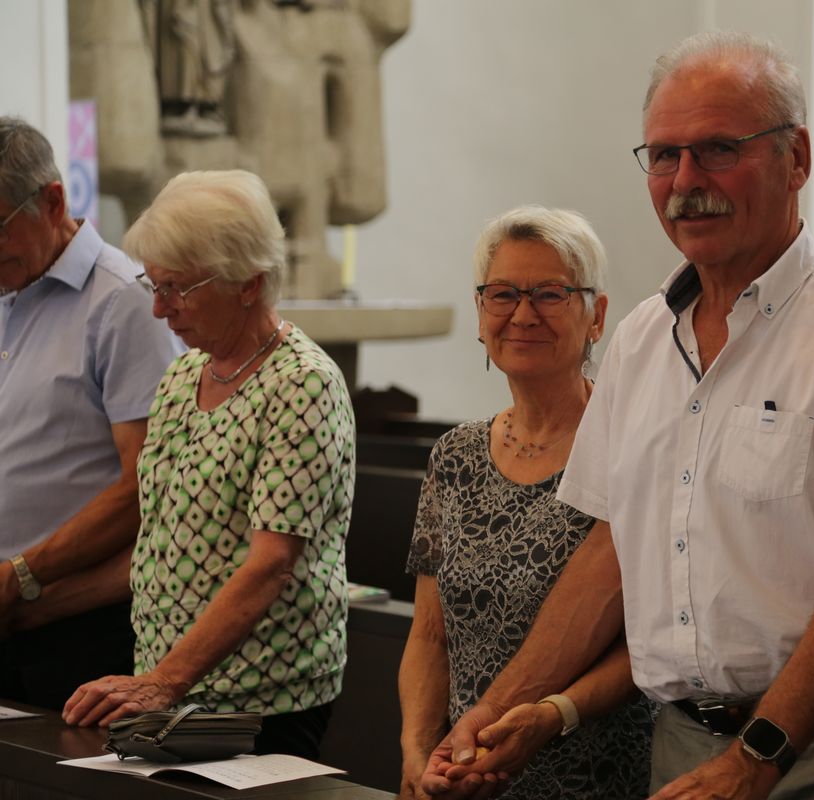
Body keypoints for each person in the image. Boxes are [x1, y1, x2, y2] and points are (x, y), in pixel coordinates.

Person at [424, 32, 814, 800]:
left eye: (718, 149)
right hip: (682, 738)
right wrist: (500, 707)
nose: (686, 181)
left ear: (796, 158)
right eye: (664, 156)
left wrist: (756, 757)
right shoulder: (644, 339)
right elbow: (612, 552)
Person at [60, 169, 356, 760]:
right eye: (154, 284)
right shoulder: (184, 374)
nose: (159, 309)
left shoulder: (302, 384)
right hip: (170, 683)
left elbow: (271, 564)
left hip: (260, 698)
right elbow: (160, 536)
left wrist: (164, 681)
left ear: (248, 283)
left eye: (177, 288)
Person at [399, 206, 653, 800]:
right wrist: (417, 753)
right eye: (503, 294)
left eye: (549, 294)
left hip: (591, 774)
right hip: (461, 772)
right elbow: (429, 636)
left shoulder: (631, 447)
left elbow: (645, 645)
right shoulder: (455, 456)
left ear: (597, 316)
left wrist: (550, 717)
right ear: (480, 312)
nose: (522, 313)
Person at [0, 116, 182, 709]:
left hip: (71, 625)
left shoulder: (124, 301)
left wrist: (22, 574)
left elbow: (146, 485)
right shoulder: (9, 285)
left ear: (53, 201)